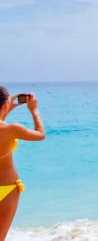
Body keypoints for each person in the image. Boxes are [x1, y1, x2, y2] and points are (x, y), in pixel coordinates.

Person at [0, 87, 45, 240]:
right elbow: (40, 134)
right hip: (7, 188)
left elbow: (2, 116)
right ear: (5, 104)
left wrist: (11, 103)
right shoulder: (11, 129)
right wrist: (34, 111)